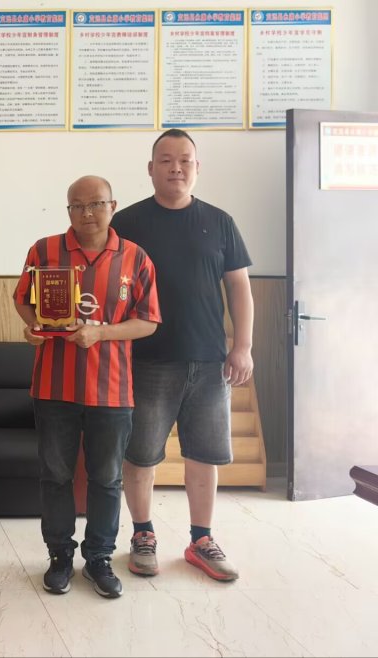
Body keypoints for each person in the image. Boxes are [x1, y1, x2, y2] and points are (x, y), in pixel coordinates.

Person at [114, 129, 254, 582]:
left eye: (185, 160)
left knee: (204, 456)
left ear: (197, 167)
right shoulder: (128, 223)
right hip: (146, 360)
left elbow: (239, 288)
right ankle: (142, 534)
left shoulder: (220, 221)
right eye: (166, 160)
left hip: (209, 361)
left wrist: (243, 346)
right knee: (140, 456)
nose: (176, 168)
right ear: (150, 168)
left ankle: (201, 539)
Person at [13, 175, 160, 599]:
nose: (87, 213)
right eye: (77, 206)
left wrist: (102, 333)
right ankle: (60, 555)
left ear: (113, 206)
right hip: (53, 387)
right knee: (55, 476)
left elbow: (148, 321)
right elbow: (23, 299)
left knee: (107, 479)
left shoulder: (135, 257)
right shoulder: (44, 251)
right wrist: (33, 328)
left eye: (96, 204)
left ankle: (99, 558)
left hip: (112, 390)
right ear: (68, 211)